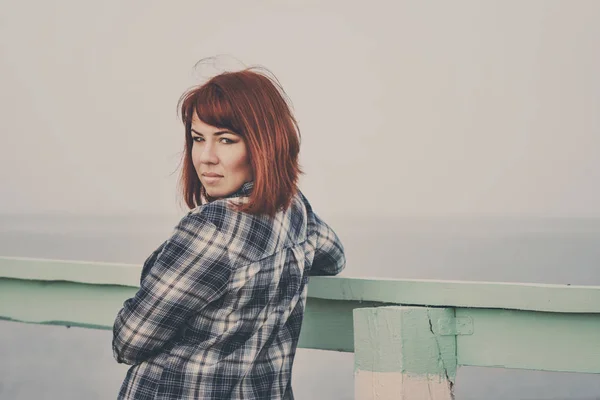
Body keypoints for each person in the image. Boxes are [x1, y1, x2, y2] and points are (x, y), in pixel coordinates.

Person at [112, 66, 346, 399]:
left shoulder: (211, 230)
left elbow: (130, 340)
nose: (206, 157)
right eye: (197, 139)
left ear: (263, 145)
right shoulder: (293, 209)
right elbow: (334, 257)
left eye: (225, 140)